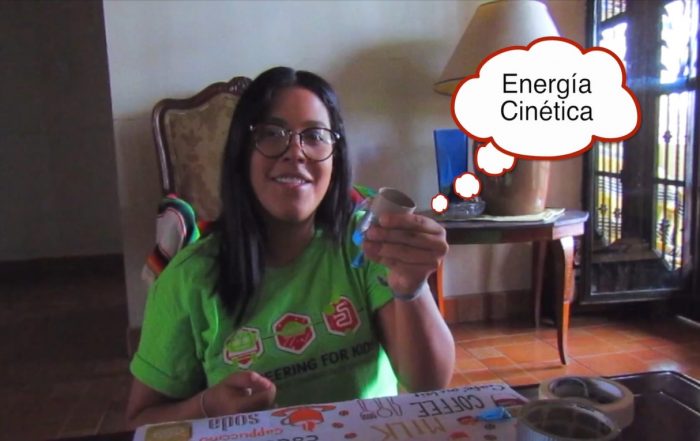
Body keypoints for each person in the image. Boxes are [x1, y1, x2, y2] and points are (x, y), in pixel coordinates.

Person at [126, 66, 455, 428]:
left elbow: (429, 385)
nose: (295, 152)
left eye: (314, 135)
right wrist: (207, 407)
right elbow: (142, 421)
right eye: (271, 133)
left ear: (335, 156)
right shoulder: (189, 278)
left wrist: (411, 287)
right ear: (241, 153)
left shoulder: (365, 242)